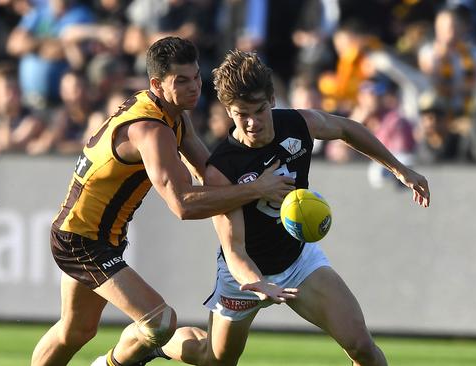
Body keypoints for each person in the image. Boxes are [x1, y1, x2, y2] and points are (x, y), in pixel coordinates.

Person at [141, 50, 430, 366]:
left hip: (298, 261)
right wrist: (257, 283)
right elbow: (234, 250)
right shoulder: (222, 169)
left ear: (273, 100)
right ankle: (160, 347)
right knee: (214, 358)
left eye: (259, 110)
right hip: (245, 276)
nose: (252, 122)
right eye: (241, 114)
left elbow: (347, 129)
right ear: (227, 111)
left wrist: (400, 169)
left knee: (362, 346)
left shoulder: (297, 124)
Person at [30, 37, 294, 366]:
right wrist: (257, 190)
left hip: (95, 236)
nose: (194, 87)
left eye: (196, 77)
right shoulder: (151, 129)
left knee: (76, 331)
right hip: (82, 240)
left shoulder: (171, 113)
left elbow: (209, 171)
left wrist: (252, 181)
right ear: (157, 84)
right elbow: (183, 204)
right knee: (160, 322)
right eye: (181, 81)